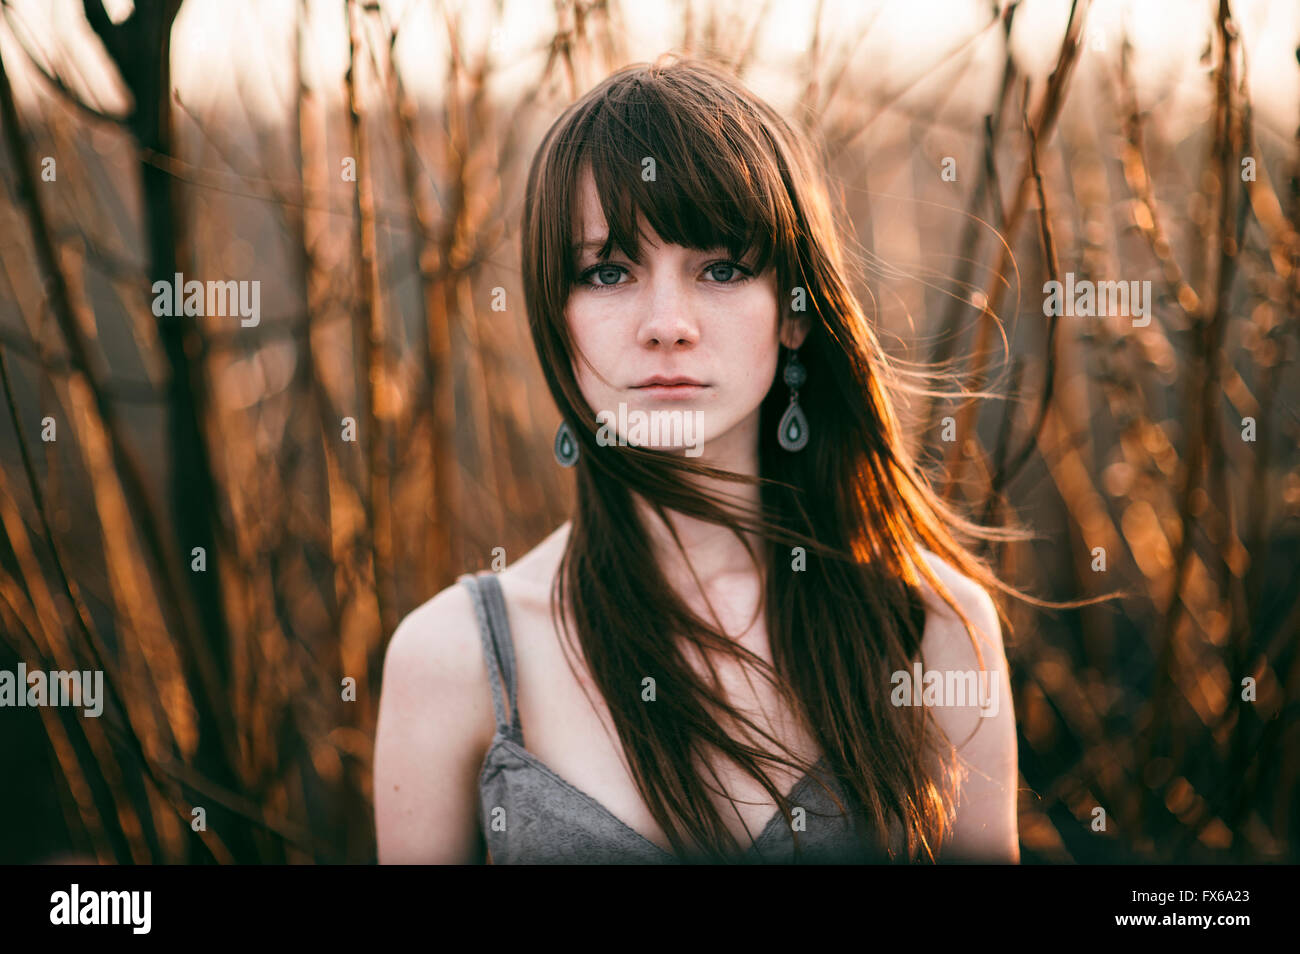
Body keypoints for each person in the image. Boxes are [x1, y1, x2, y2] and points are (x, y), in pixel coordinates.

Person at [375, 54, 1030, 864]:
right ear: (559, 320)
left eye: (720, 268)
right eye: (608, 271)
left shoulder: (933, 631)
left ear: (793, 316)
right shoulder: (452, 658)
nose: (666, 324)